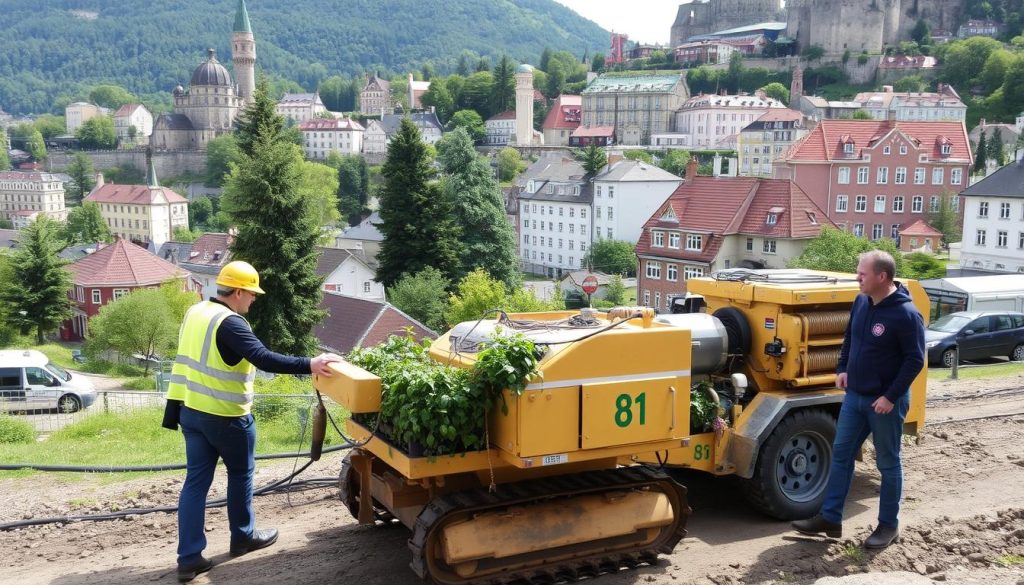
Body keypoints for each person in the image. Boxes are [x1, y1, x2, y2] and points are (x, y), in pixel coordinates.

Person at [163, 261, 342, 582]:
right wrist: (311, 363)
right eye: (252, 294)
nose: (254, 300)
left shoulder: (197, 311)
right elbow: (264, 358)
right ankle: (243, 536)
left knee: (195, 484)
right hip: (227, 418)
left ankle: (189, 558)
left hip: (190, 411)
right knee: (241, 473)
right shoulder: (231, 323)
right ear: (239, 292)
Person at [792, 250, 925, 549]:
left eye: (862, 273)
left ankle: (888, 526)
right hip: (855, 398)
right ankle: (830, 518)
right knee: (840, 455)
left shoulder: (906, 314)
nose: (857, 277)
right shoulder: (861, 302)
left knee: (888, 464)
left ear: (882, 277)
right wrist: (842, 368)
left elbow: (915, 359)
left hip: (884, 404)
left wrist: (890, 397)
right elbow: (850, 337)